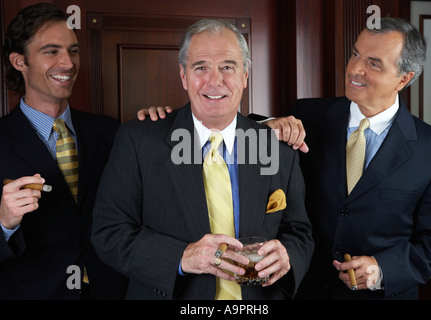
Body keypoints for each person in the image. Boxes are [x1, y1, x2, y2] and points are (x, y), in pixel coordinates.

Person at [91, 19, 314, 300]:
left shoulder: (278, 147)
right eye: (201, 67)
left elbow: (299, 231)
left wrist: (288, 255)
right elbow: (109, 232)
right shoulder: (138, 140)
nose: (214, 80)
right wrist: (184, 257)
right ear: (183, 76)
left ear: (245, 76)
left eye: (228, 67)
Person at [290, 17, 431, 299]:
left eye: (373, 63)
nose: (355, 69)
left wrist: (384, 269)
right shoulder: (306, 116)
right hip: (304, 291)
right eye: (355, 54)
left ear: (404, 78)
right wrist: (269, 128)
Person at [0, 2, 128, 299]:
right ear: (19, 61)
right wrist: (4, 222)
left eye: (73, 50)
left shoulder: (114, 132)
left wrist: (155, 129)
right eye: (51, 51)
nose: (68, 64)